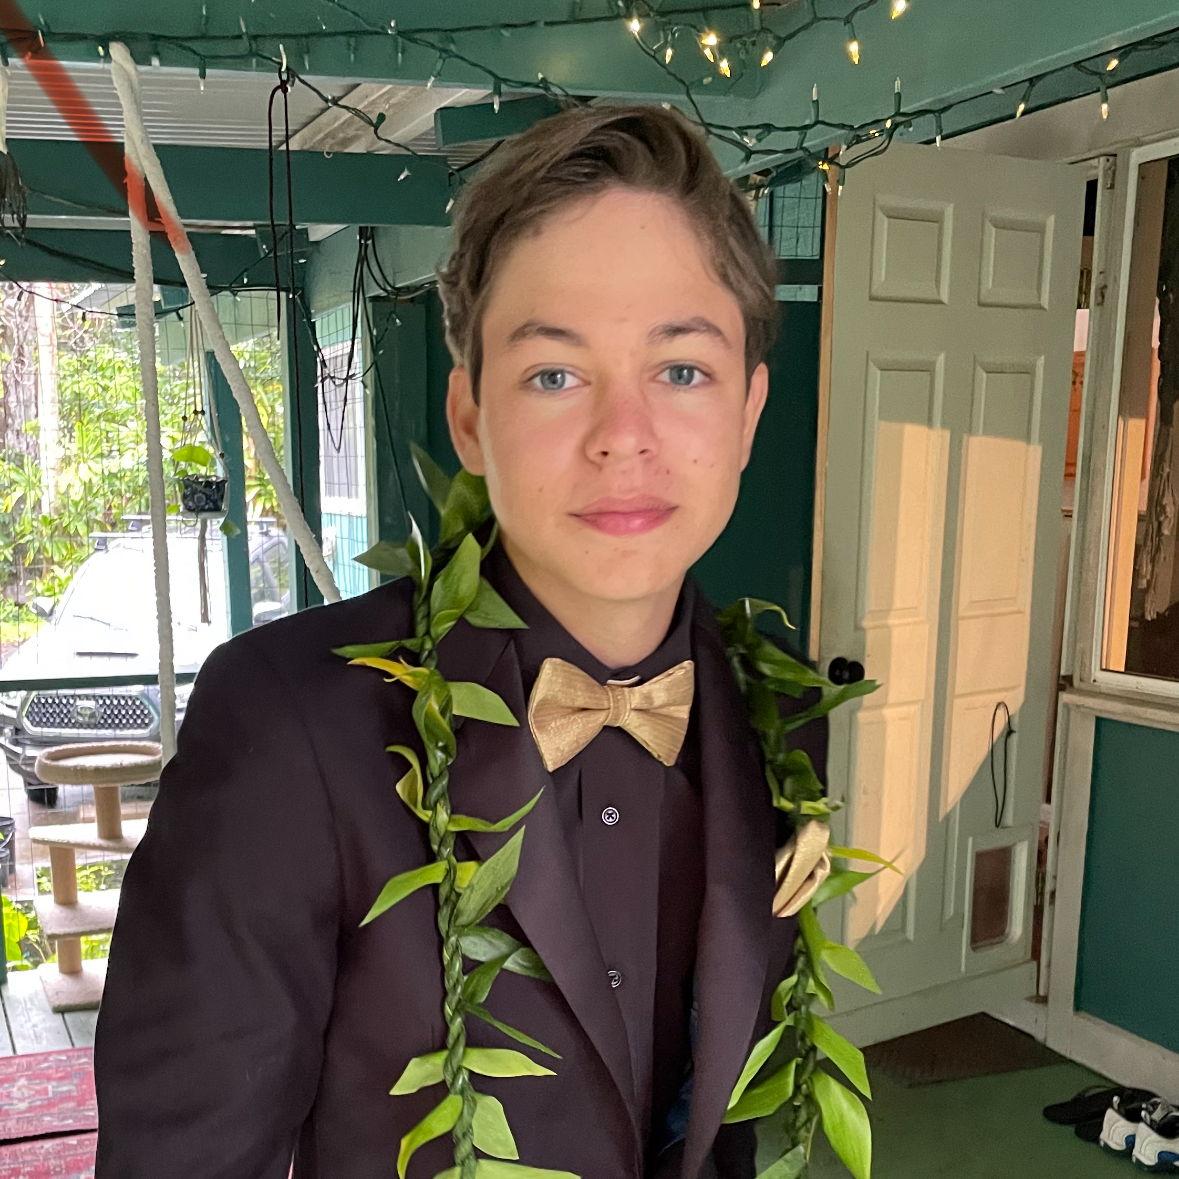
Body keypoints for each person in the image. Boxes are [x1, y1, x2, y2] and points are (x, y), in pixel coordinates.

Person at [93, 102, 827, 1178]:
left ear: (750, 411)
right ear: (471, 417)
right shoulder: (288, 723)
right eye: (554, 373)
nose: (623, 436)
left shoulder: (780, 713)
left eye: (681, 370)